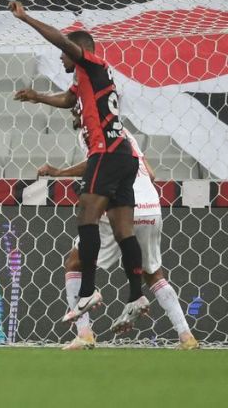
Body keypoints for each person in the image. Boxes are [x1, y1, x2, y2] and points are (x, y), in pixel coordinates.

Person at [11, 0, 148, 333]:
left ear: (79, 51)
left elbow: (61, 41)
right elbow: (70, 100)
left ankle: (87, 292)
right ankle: (135, 296)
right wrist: (39, 97)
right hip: (125, 157)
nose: (61, 57)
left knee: (86, 218)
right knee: (123, 230)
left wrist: (26, 18)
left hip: (107, 153)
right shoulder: (88, 78)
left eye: (66, 53)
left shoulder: (93, 62)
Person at [40, 107, 198, 350]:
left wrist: (60, 172)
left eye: (78, 109)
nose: (74, 113)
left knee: (75, 263)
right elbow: (152, 175)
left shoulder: (90, 132)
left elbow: (97, 164)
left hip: (122, 207)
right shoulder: (125, 133)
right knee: (153, 273)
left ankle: (85, 334)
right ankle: (186, 337)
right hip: (151, 207)